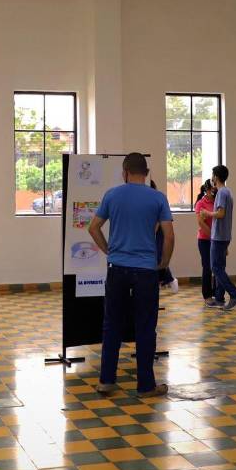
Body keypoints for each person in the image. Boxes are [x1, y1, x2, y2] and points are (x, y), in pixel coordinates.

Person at [88, 153, 174, 398]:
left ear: (125, 172)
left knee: (112, 324)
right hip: (146, 271)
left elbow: (93, 227)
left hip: (117, 269)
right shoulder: (158, 198)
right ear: (146, 173)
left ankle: (106, 380)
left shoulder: (112, 195)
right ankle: (146, 385)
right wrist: (163, 262)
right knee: (146, 326)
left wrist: (109, 250)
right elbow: (169, 236)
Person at [199, 165, 236, 310]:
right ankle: (219, 298)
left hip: (219, 236)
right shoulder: (226, 191)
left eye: (212, 175)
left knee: (215, 267)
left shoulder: (222, 193)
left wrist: (207, 213)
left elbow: (220, 213)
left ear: (216, 177)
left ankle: (235, 295)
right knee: (220, 267)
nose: (211, 178)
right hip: (224, 235)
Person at [150, 180, 179, 293]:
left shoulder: (157, 199)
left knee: (158, 258)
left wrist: (152, 233)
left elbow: (158, 221)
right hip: (153, 232)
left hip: (159, 232)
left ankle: (169, 280)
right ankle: (167, 280)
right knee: (156, 258)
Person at [194, 179, 216, 304]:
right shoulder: (201, 203)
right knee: (207, 267)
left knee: (217, 267)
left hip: (217, 239)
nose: (213, 192)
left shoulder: (218, 201)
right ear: (206, 190)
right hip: (204, 240)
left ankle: (217, 293)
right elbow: (201, 223)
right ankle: (207, 295)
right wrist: (212, 237)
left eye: (215, 190)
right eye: (211, 190)